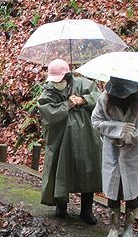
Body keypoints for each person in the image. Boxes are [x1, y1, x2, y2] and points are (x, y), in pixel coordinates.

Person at [91, 77, 138, 237]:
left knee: (131, 190)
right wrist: (117, 129)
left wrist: (132, 136)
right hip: (112, 151)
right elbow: (96, 121)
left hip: (134, 152)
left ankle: (128, 227)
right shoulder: (104, 98)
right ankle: (114, 227)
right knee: (114, 190)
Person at [37, 59, 102, 224]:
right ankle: (61, 205)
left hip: (86, 137)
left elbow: (99, 98)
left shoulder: (83, 84)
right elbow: (48, 113)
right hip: (61, 139)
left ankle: (86, 210)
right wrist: (67, 105)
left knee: (88, 169)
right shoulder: (48, 92)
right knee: (61, 169)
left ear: (67, 75)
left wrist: (83, 100)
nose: (57, 82)